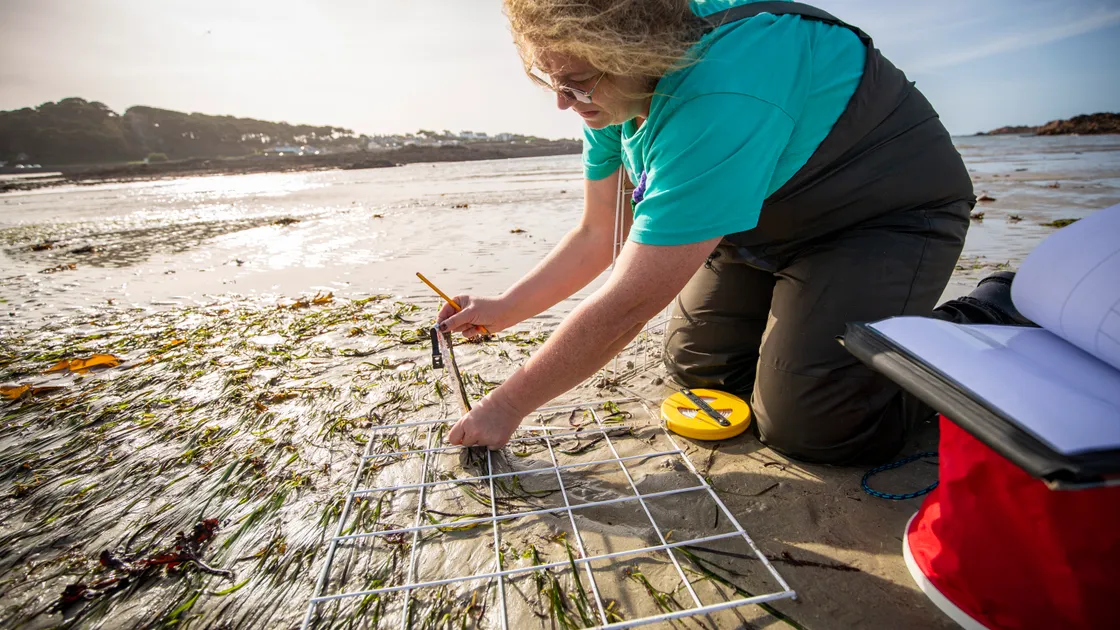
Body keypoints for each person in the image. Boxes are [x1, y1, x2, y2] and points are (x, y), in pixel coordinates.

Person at [438, 0, 1022, 464]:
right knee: (703, 371)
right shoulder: (609, 93)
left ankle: (984, 315)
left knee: (817, 425)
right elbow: (599, 234)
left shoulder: (720, 89)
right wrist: (505, 307)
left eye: (576, 83)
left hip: (881, 214)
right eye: (549, 81)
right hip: (758, 220)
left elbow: (630, 302)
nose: (563, 103)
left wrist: (509, 404)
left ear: (632, 50)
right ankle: (811, 314)